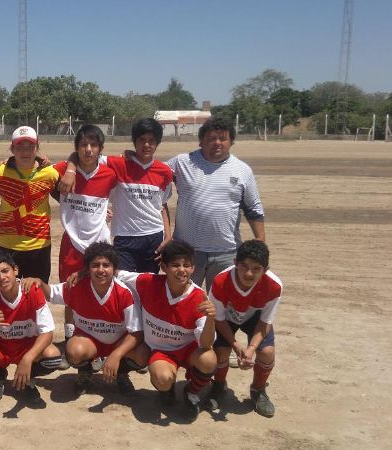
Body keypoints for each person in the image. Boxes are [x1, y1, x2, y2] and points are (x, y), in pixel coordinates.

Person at [114, 240, 217, 422]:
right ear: (163, 267)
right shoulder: (148, 282)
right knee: (162, 379)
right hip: (162, 352)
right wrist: (83, 271)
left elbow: (206, 343)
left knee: (209, 359)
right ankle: (167, 391)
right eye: (175, 265)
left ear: (193, 268)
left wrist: (210, 318)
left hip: (187, 349)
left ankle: (191, 393)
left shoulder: (199, 296)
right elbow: (115, 273)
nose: (181, 270)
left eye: (187, 265)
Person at [29, 242, 146, 396]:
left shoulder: (124, 293)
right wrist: (38, 282)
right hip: (90, 342)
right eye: (95, 265)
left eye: (106, 265)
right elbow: (51, 293)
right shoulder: (77, 285)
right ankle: (85, 372)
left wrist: (116, 355)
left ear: (114, 269)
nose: (101, 270)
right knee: (74, 350)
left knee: (143, 354)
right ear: (87, 268)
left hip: (118, 342)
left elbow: (137, 332)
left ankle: (120, 372)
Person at [58, 118, 174, 273]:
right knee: (121, 282)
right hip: (124, 237)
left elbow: (163, 204)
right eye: (141, 140)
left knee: (148, 284)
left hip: (153, 236)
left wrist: (168, 236)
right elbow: (84, 154)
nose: (146, 145)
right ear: (134, 141)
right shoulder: (118, 164)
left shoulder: (165, 171)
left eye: (151, 141)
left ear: (158, 143)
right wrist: (71, 169)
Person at [166, 117, 265, 291]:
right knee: (183, 300)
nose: (217, 143)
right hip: (187, 252)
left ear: (231, 142)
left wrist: (260, 240)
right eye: (211, 138)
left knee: (221, 305)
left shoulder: (242, 170)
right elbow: (151, 174)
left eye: (223, 138)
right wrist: (129, 157)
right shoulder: (182, 162)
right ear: (200, 141)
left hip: (226, 252)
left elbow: (253, 208)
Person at [51, 124, 117, 358]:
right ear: (76, 148)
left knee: (101, 290)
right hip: (72, 243)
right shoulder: (61, 170)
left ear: (101, 148)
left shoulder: (110, 172)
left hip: (99, 244)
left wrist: (108, 210)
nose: (88, 149)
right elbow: (41, 166)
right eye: (83, 145)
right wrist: (70, 167)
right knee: (71, 291)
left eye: (93, 145)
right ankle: (70, 338)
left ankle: (100, 340)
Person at [0, 251, 61, 404]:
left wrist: (28, 358)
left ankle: (27, 379)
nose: (2, 277)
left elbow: (47, 333)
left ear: (15, 270)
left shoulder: (32, 291)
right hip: (0, 349)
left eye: (5, 271)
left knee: (53, 357)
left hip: (26, 346)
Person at [207, 239, 282, 417]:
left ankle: (258, 390)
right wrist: (236, 345)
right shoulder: (220, 281)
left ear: (266, 269)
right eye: (244, 266)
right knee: (220, 351)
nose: (249, 273)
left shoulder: (274, 285)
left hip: (254, 318)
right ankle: (218, 385)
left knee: (267, 352)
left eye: (256, 268)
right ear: (235, 263)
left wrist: (250, 349)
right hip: (227, 318)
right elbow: (218, 319)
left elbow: (265, 322)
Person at [0, 126, 58, 282]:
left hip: (39, 248)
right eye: (20, 147)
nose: (25, 152)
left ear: (37, 148)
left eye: (30, 147)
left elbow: (70, 200)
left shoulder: (51, 174)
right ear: (12, 148)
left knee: (36, 297)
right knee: (9, 295)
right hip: (7, 247)